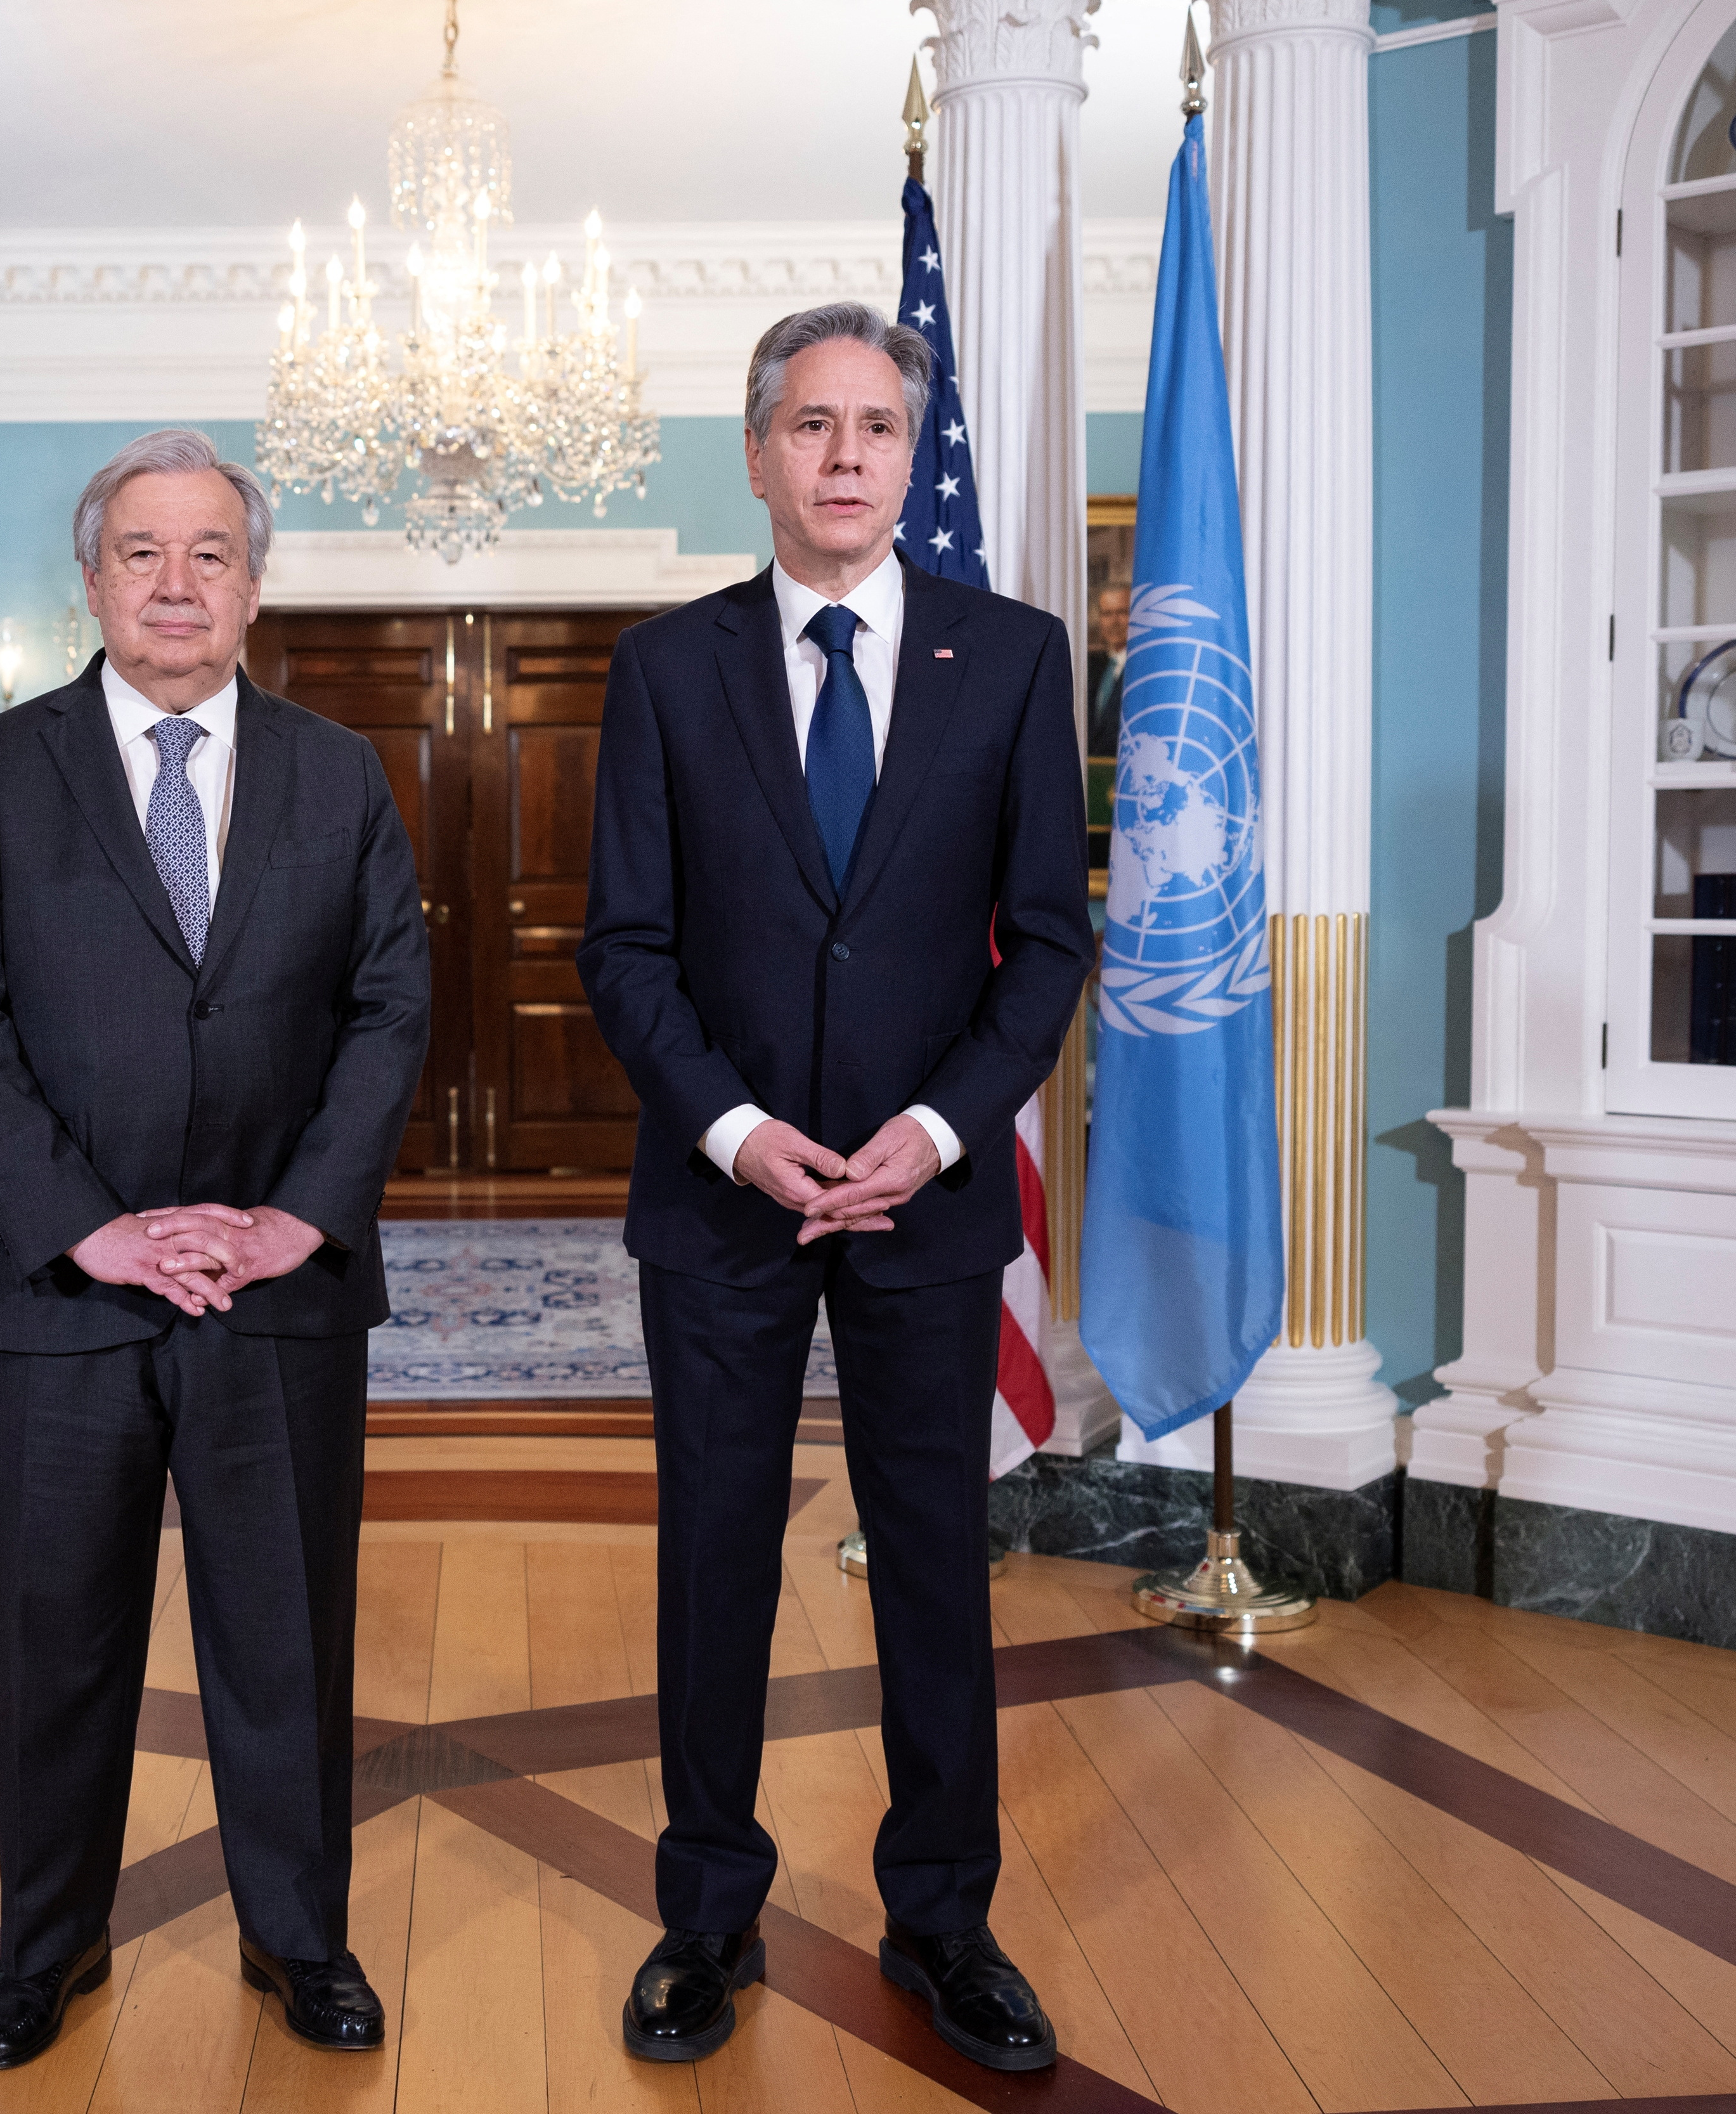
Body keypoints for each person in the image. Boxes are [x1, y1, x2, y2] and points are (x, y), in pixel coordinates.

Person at [576, 304, 1091, 2072]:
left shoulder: (1015, 662)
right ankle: (705, 1910)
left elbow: (1049, 949)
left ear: (909, 452)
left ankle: (945, 1913)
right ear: (758, 451)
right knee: (714, 1554)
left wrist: (937, 1132)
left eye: (877, 425)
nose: (847, 456)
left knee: (935, 1561)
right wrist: (736, 1128)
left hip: (926, 1199)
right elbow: (626, 950)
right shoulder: (663, 669)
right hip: (724, 1196)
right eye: (813, 425)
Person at [0, 427, 429, 2072]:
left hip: (281, 1290)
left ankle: (302, 1936)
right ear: (94, 577)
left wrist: (293, 1215)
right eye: (144, 549)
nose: (178, 580)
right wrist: (97, 1227)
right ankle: (44, 1946)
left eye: (211, 551)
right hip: (55, 1288)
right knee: (56, 1644)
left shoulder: (340, 771)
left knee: (283, 1639)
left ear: (255, 583)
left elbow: (389, 1007)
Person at [1084, 578, 1130, 756]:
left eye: (1122, 612)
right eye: (1107, 614)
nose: (1114, 621)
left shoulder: (1143, 670)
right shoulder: (1090, 667)